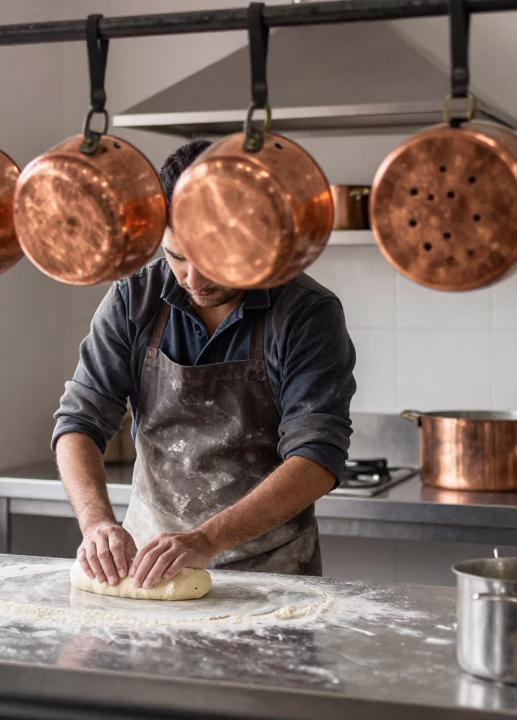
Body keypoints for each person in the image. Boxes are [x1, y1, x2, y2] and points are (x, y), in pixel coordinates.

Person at [53, 138, 357, 590]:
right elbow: (79, 421)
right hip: (148, 570)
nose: (194, 281)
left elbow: (317, 456)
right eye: (177, 257)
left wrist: (207, 538)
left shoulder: (306, 313)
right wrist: (96, 523)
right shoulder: (133, 300)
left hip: (271, 575)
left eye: (212, 259)